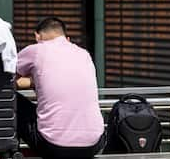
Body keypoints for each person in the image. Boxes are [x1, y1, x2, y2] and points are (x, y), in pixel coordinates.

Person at [15, 17, 105, 159]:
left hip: (53, 145)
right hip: (94, 143)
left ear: (37, 36)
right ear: (66, 38)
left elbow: (7, 76)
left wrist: (31, 81)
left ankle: (13, 153)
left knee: (12, 100)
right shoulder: (84, 54)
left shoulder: (37, 50)